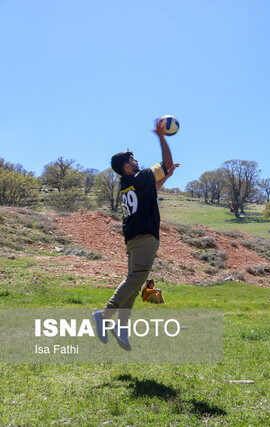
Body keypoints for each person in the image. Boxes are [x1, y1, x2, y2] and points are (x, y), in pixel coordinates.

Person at [93, 118, 179, 351]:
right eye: (133, 159)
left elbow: (152, 188)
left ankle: (121, 327)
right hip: (144, 235)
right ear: (127, 166)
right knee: (137, 279)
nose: (136, 160)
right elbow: (166, 162)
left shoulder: (127, 183)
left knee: (135, 280)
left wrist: (166, 177)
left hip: (133, 236)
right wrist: (161, 137)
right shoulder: (139, 177)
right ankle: (105, 315)